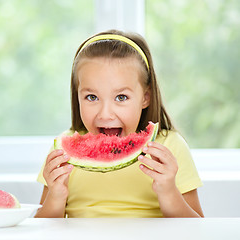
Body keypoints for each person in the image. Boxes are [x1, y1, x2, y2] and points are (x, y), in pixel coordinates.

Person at [35, 29, 204, 218]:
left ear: (145, 97)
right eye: (91, 97)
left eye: (121, 97)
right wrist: (56, 196)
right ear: (77, 96)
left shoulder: (169, 147)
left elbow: (197, 228)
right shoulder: (62, 152)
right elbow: (43, 229)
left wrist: (169, 192)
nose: (105, 114)